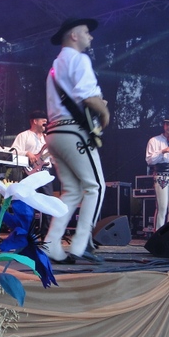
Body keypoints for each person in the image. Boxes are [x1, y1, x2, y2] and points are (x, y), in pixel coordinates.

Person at [43, 17, 110, 264]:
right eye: (86, 32)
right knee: (96, 186)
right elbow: (88, 96)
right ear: (73, 35)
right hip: (73, 132)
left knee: (71, 191)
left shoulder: (54, 67)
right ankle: (81, 245)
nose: (90, 36)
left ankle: (51, 244)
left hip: (54, 134)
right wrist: (105, 113)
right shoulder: (79, 59)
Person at [10, 109, 54, 238]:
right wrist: (27, 153)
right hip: (30, 172)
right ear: (35, 121)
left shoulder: (47, 138)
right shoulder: (24, 136)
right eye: (43, 120)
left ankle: (46, 233)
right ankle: (29, 233)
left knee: (48, 202)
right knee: (29, 203)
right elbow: (13, 151)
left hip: (45, 172)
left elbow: (50, 158)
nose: (45, 122)